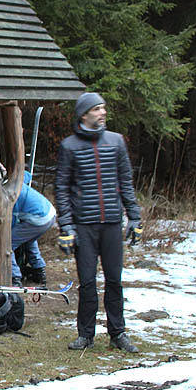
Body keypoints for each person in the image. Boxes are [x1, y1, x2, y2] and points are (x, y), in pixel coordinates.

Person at [55, 92, 142, 354]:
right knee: (88, 282)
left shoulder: (116, 141)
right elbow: (62, 188)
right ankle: (85, 336)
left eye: (104, 108)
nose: (102, 113)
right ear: (84, 115)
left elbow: (125, 181)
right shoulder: (69, 146)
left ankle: (118, 334)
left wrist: (134, 216)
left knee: (115, 280)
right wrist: (66, 227)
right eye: (97, 109)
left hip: (112, 224)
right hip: (84, 226)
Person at [0, 168, 56, 288]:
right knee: (28, 241)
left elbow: (9, 227)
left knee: (6, 243)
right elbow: (26, 176)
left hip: (39, 218)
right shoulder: (9, 185)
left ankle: (14, 277)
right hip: (50, 212)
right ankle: (39, 271)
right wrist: (7, 175)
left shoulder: (4, 202)